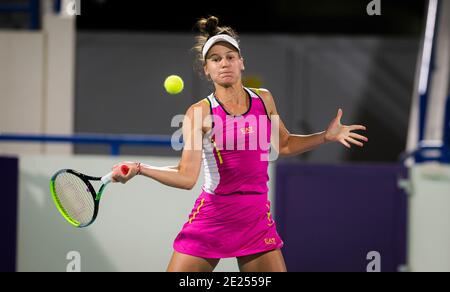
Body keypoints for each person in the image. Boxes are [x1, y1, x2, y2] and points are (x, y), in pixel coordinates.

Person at [111, 16, 368, 272]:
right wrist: (140, 168)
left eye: (230, 57)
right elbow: (186, 176)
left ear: (241, 63)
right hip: (213, 216)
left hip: (255, 218)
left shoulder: (264, 99)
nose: (224, 63)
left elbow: (285, 144)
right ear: (206, 69)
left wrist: (326, 136)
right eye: (216, 59)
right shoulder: (199, 113)